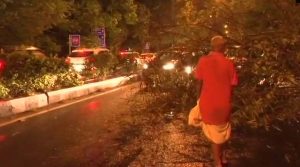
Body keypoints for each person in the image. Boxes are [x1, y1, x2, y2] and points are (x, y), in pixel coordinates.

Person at [194, 36, 238, 167]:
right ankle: (223, 156)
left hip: (208, 103)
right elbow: (233, 84)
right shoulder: (229, 63)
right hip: (224, 103)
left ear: (212, 46)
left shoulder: (203, 61)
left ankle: (217, 162)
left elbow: (199, 82)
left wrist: (198, 99)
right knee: (223, 131)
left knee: (214, 135)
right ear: (223, 47)